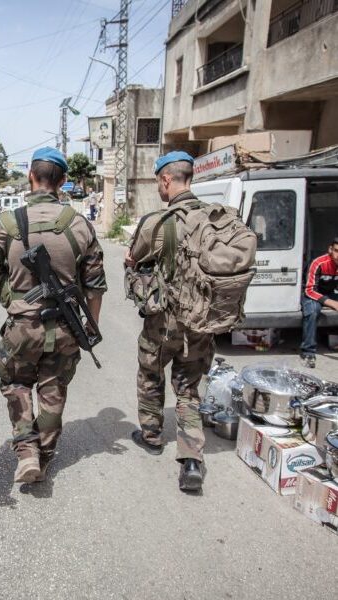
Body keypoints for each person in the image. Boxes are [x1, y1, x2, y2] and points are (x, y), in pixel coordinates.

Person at [0, 146, 106, 483]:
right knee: (53, 391)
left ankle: (26, 449)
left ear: (31, 176)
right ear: (62, 181)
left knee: (16, 384)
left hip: (22, 328)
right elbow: (95, 286)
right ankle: (43, 457)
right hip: (66, 327)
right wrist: (88, 328)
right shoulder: (80, 225)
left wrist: (10, 277)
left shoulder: (6, 224)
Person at [125, 151, 214, 493]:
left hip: (164, 322)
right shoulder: (216, 219)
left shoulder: (159, 223)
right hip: (202, 322)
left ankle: (151, 434)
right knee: (188, 388)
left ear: (166, 180)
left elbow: (134, 259)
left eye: (157, 182)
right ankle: (191, 459)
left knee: (150, 373)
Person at [300, 237, 338, 368]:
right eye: (337, 251)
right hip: (312, 293)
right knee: (312, 311)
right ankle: (308, 352)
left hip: (331, 293)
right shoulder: (319, 262)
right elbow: (309, 290)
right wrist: (333, 303)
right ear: (330, 250)